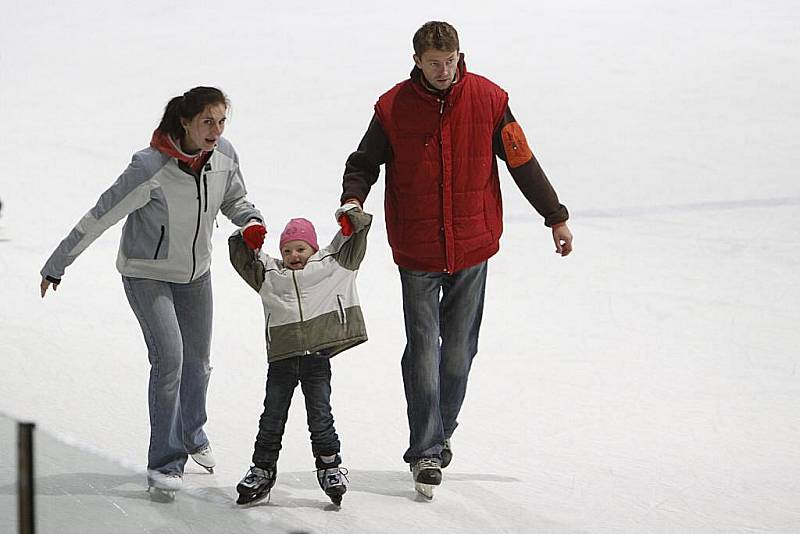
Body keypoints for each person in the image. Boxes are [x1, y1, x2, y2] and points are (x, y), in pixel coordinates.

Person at [339, 21, 574, 497]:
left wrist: (555, 216)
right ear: (417, 61)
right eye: (433, 63)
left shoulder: (489, 101)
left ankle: (440, 432)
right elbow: (363, 162)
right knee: (424, 351)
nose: (444, 71)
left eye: (450, 61)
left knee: (460, 352)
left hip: (471, 247)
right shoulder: (392, 108)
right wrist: (353, 199)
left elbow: (522, 161)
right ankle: (426, 451)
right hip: (418, 250)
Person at [39, 86, 267, 499]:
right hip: (147, 274)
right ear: (185, 121)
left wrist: (249, 219)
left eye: (221, 121)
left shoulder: (224, 156)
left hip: (195, 274)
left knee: (198, 363)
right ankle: (165, 464)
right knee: (170, 360)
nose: (215, 131)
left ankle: (192, 431)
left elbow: (235, 199)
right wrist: (58, 264)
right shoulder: (149, 167)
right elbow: (100, 215)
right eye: (207, 122)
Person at [228, 204, 371, 506]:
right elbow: (242, 258)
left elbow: (353, 241)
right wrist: (248, 238)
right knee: (271, 417)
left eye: (301, 249)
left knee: (321, 417)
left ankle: (330, 466)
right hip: (282, 360)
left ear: (313, 248)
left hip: (316, 359)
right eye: (289, 250)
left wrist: (350, 221)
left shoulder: (329, 267)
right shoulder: (270, 274)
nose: (295, 256)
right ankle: (262, 468)